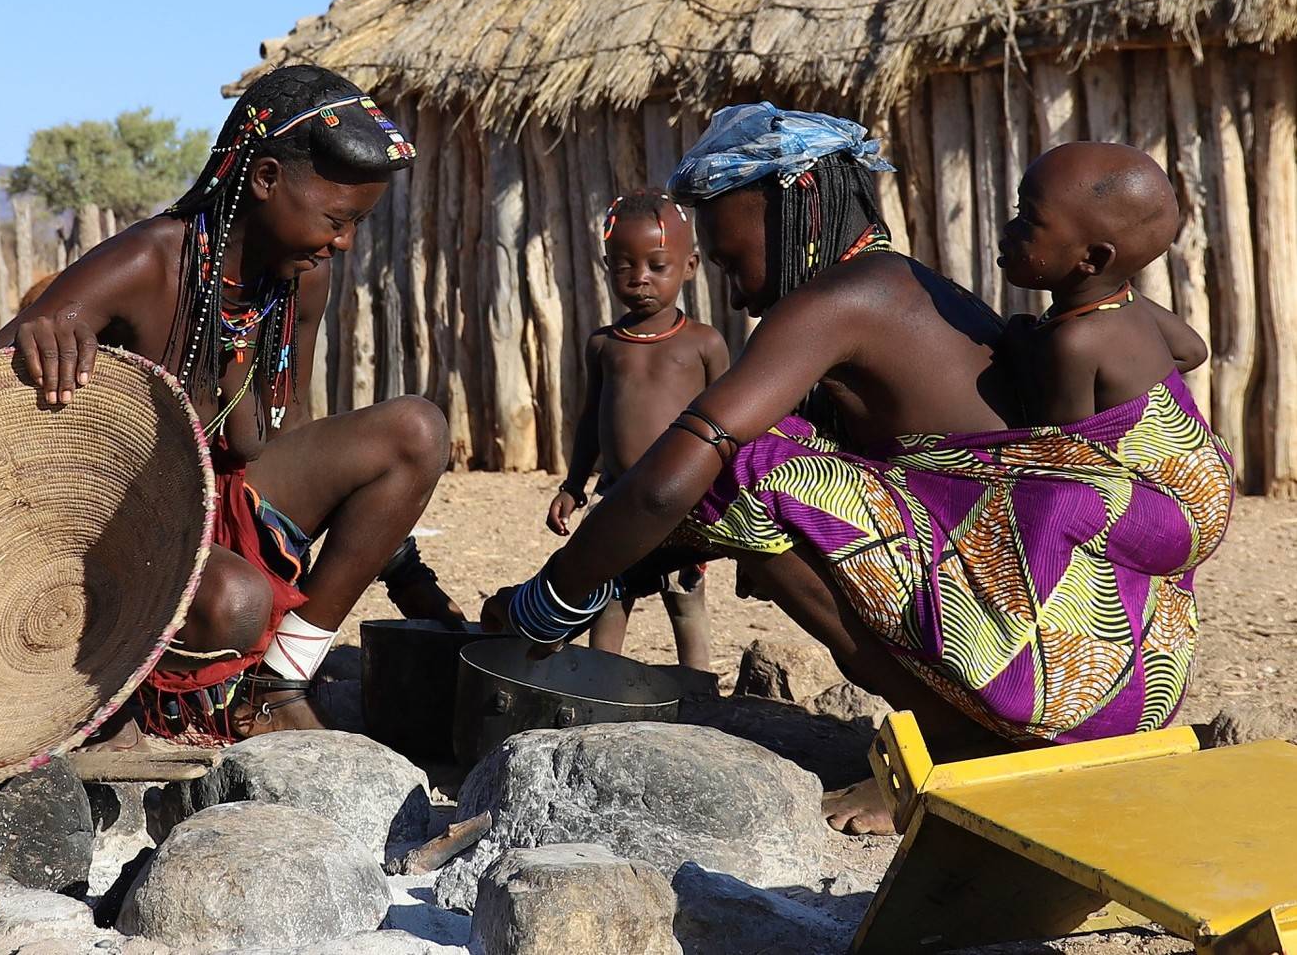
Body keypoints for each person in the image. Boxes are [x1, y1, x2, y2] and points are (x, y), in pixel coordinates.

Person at [484, 103, 1234, 836]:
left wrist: (548, 600)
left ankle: (956, 743)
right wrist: (622, 565)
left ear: (795, 202)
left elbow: (675, 477)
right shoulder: (899, 285)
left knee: (741, 471)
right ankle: (958, 729)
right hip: (1126, 666)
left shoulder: (846, 298)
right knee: (764, 484)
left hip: (1063, 666)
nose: (730, 285)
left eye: (729, 258)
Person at [0, 65, 463, 742]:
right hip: (114, 533)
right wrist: (36, 343)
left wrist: (395, 560)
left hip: (223, 504)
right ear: (265, 178)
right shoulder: (147, 264)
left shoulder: (300, 282)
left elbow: (286, 430)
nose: (345, 241)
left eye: (357, 223)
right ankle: (112, 701)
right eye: (337, 219)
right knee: (236, 601)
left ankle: (278, 680)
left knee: (417, 429)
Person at [546, 190, 729, 670]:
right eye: (624, 265)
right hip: (616, 499)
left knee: (684, 600)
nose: (639, 277)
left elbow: (731, 429)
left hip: (683, 502)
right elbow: (592, 420)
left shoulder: (704, 344)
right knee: (607, 596)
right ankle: (600, 685)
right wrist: (573, 485)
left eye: (657, 265)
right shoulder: (605, 346)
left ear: (689, 267)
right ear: (607, 267)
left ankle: (700, 692)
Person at [999, 141, 1209, 423]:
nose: (1009, 228)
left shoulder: (1074, 344)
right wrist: (1125, 394)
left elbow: (1062, 445)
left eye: (1029, 220)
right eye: (1018, 210)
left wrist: (1026, 360)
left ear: (1094, 258)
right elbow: (1192, 351)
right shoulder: (1128, 301)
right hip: (1201, 449)